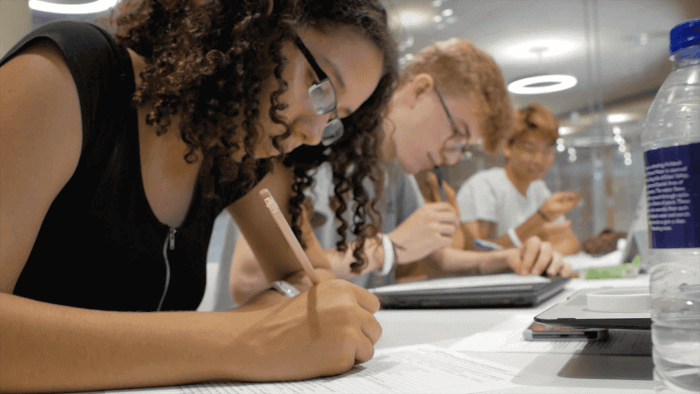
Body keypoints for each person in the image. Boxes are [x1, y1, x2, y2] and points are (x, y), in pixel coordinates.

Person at [0, 0, 399, 391]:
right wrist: (248, 339)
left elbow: (308, 278)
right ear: (255, 24)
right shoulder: (65, 76)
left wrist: (284, 314)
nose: (314, 133)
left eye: (336, 118)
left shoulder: (233, 149)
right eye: (321, 89)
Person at [230, 38, 572, 305]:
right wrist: (387, 249)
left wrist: (509, 259)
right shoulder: (314, 141)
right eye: (456, 136)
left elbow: (436, 261)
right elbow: (248, 280)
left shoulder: (395, 171)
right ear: (419, 90)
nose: (451, 159)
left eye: (463, 148)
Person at [456, 103, 582, 256]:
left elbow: (571, 244)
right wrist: (540, 221)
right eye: (530, 149)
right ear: (507, 147)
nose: (539, 159)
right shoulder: (484, 186)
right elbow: (477, 251)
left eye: (548, 150)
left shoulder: (539, 188)